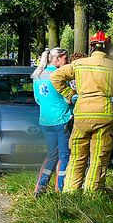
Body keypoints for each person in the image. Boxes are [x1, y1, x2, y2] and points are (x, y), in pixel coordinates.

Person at [51, 32, 113, 192]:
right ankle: (92, 194)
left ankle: (70, 193)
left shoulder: (79, 64)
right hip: (104, 117)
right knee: (98, 158)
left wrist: (70, 95)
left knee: (77, 157)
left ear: (91, 47)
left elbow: (55, 77)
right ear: (108, 48)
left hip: (81, 117)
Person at [31, 48, 71, 196]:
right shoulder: (60, 75)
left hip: (45, 121)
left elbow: (38, 100)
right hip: (61, 119)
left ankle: (40, 187)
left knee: (51, 155)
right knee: (64, 156)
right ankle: (61, 189)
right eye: (65, 58)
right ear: (57, 59)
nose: (67, 61)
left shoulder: (38, 74)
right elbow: (69, 98)